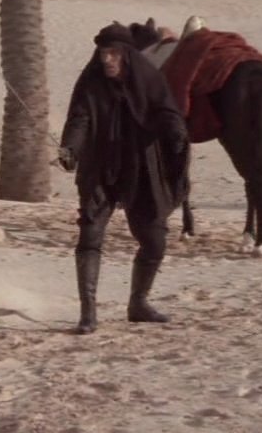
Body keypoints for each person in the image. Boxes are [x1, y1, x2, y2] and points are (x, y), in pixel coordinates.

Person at [58, 22, 189, 334]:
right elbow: (79, 119)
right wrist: (71, 148)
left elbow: (166, 112)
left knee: (154, 241)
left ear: (127, 54)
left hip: (141, 168)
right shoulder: (91, 83)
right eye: (103, 53)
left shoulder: (148, 78)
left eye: (114, 53)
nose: (107, 60)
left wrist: (175, 133)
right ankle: (88, 313)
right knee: (90, 236)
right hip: (99, 168)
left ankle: (138, 303)